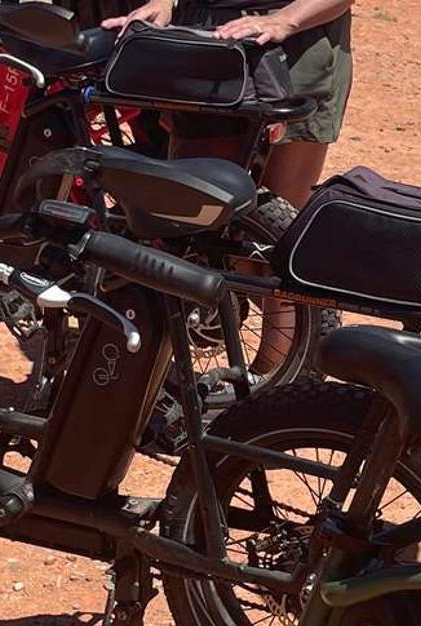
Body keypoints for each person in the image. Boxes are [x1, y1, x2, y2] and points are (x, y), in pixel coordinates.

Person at [103, 0, 355, 371]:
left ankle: (272, 386)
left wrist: (286, 19)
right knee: (186, 220)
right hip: (208, 45)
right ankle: (158, 379)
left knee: (278, 240)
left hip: (296, 46)